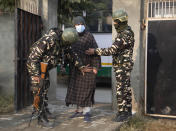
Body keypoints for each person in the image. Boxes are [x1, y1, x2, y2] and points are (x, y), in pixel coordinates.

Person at [27, 27, 91, 127]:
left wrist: (81, 66)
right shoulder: (49, 40)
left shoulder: (63, 43)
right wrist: (35, 75)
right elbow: (32, 59)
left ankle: (44, 110)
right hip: (35, 69)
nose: (69, 46)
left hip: (44, 70)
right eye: (69, 44)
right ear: (66, 39)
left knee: (44, 90)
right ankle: (41, 118)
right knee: (39, 92)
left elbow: (72, 54)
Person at [85, 9, 135, 122]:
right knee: (126, 89)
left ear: (121, 21)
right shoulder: (128, 32)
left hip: (122, 66)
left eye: (116, 22)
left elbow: (112, 50)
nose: (114, 24)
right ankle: (127, 112)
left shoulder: (124, 35)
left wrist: (95, 51)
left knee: (121, 90)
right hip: (125, 65)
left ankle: (122, 113)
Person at [65, 16, 101, 122]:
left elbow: (95, 52)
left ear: (84, 25)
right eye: (77, 24)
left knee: (87, 91)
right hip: (76, 69)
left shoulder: (89, 36)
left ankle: (87, 112)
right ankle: (79, 111)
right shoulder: (72, 36)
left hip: (88, 68)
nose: (79, 26)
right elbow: (68, 52)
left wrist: (96, 67)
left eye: (81, 24)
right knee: (76, 91)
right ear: (74, 26)